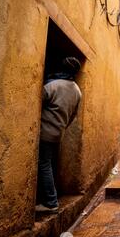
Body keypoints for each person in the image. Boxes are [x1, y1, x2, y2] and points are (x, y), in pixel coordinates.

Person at [36, 57, 82, 213]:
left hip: (44, 132)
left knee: (44, 164)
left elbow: (35, 106)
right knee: (49, 164)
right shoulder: (76, 90)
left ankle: (51, 202)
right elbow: (72, 116)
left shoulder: (52, 86)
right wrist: (61, 127)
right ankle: (49, 198)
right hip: (58, 133)